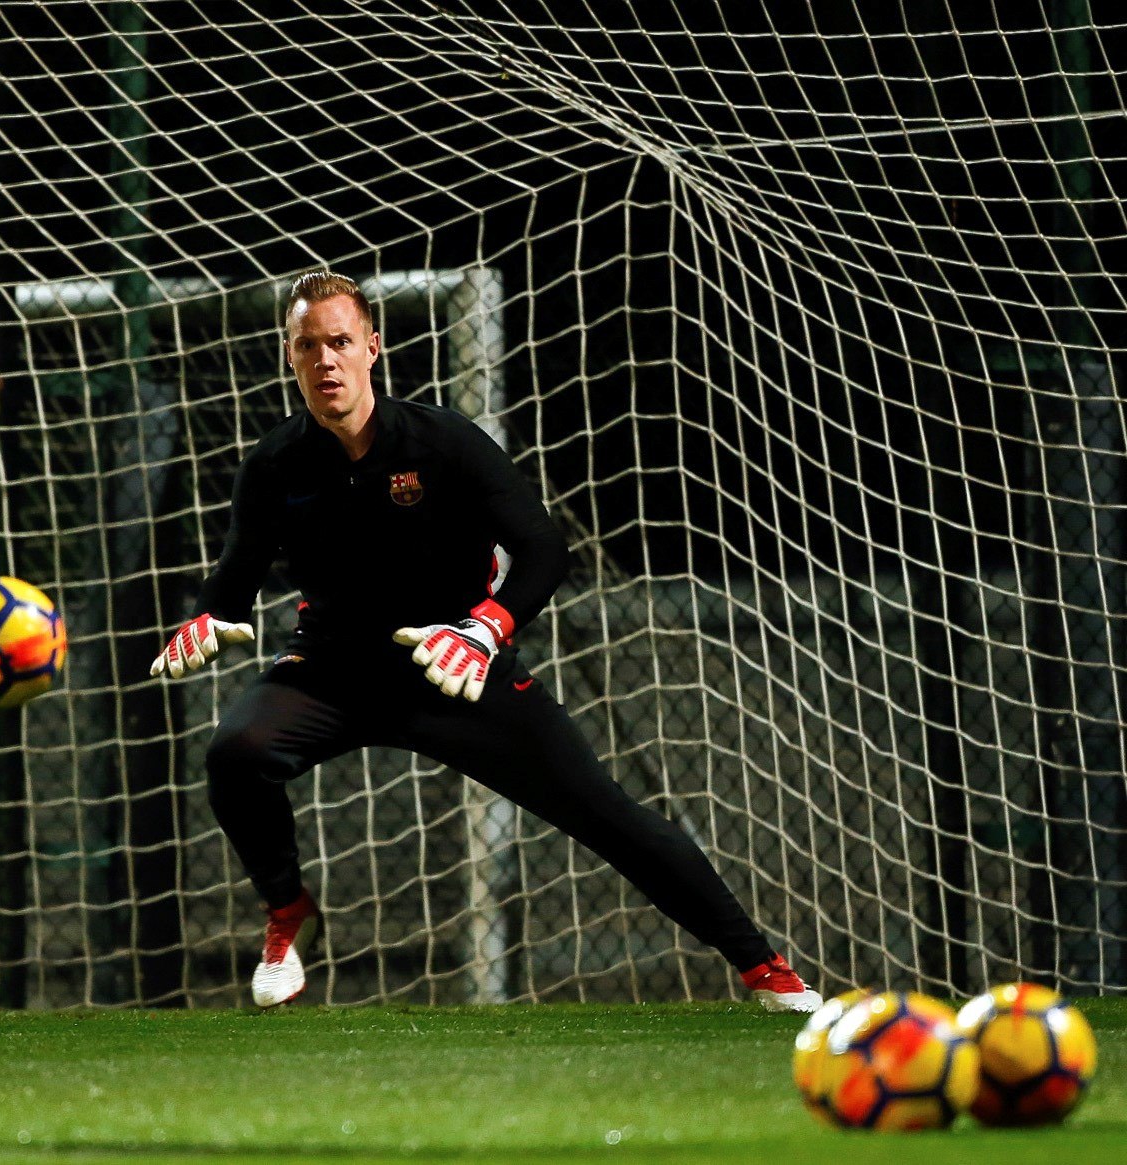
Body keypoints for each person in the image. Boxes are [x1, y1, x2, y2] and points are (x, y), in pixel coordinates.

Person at [151, 270, 821, 1014]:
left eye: (340, 341)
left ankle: (762, 965)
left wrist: (484, 627)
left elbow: (544, 549)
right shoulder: (274, 466)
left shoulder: (443, 444)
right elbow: (233, 577)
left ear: (373, 347)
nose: (326, 360)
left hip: (457, 670)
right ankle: (287, 911)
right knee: (234, 754)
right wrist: (208, 615)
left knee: (607, 814)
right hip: (332, 669)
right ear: (289, 355)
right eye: (308, 345)